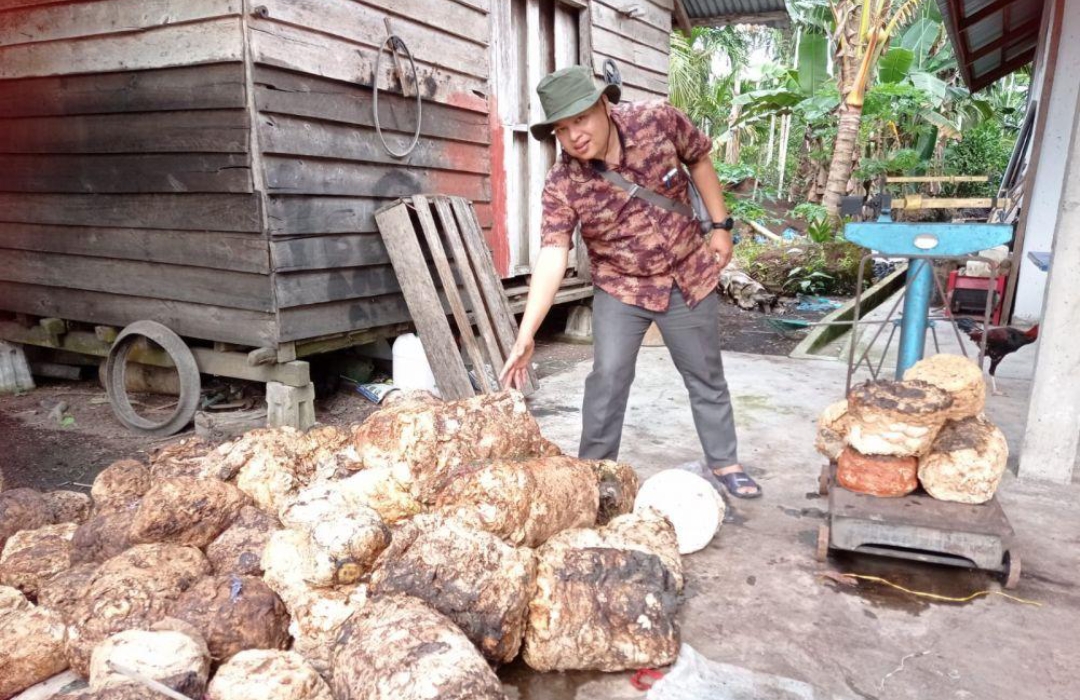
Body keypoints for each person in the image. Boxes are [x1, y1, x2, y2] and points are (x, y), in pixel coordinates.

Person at [499, 66, 760, 498]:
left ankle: (724, 461)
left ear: (604, 103)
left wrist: (721, 225)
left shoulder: (657, 120)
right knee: (608, 378)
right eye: (562, 129)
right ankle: (594, 473)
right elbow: (552, 252)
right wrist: (526, 333)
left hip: (687, 275)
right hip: (621, 287)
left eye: (580, 118)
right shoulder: (564, 183)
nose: (574, 136)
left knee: (705, 373)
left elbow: (698, 159)